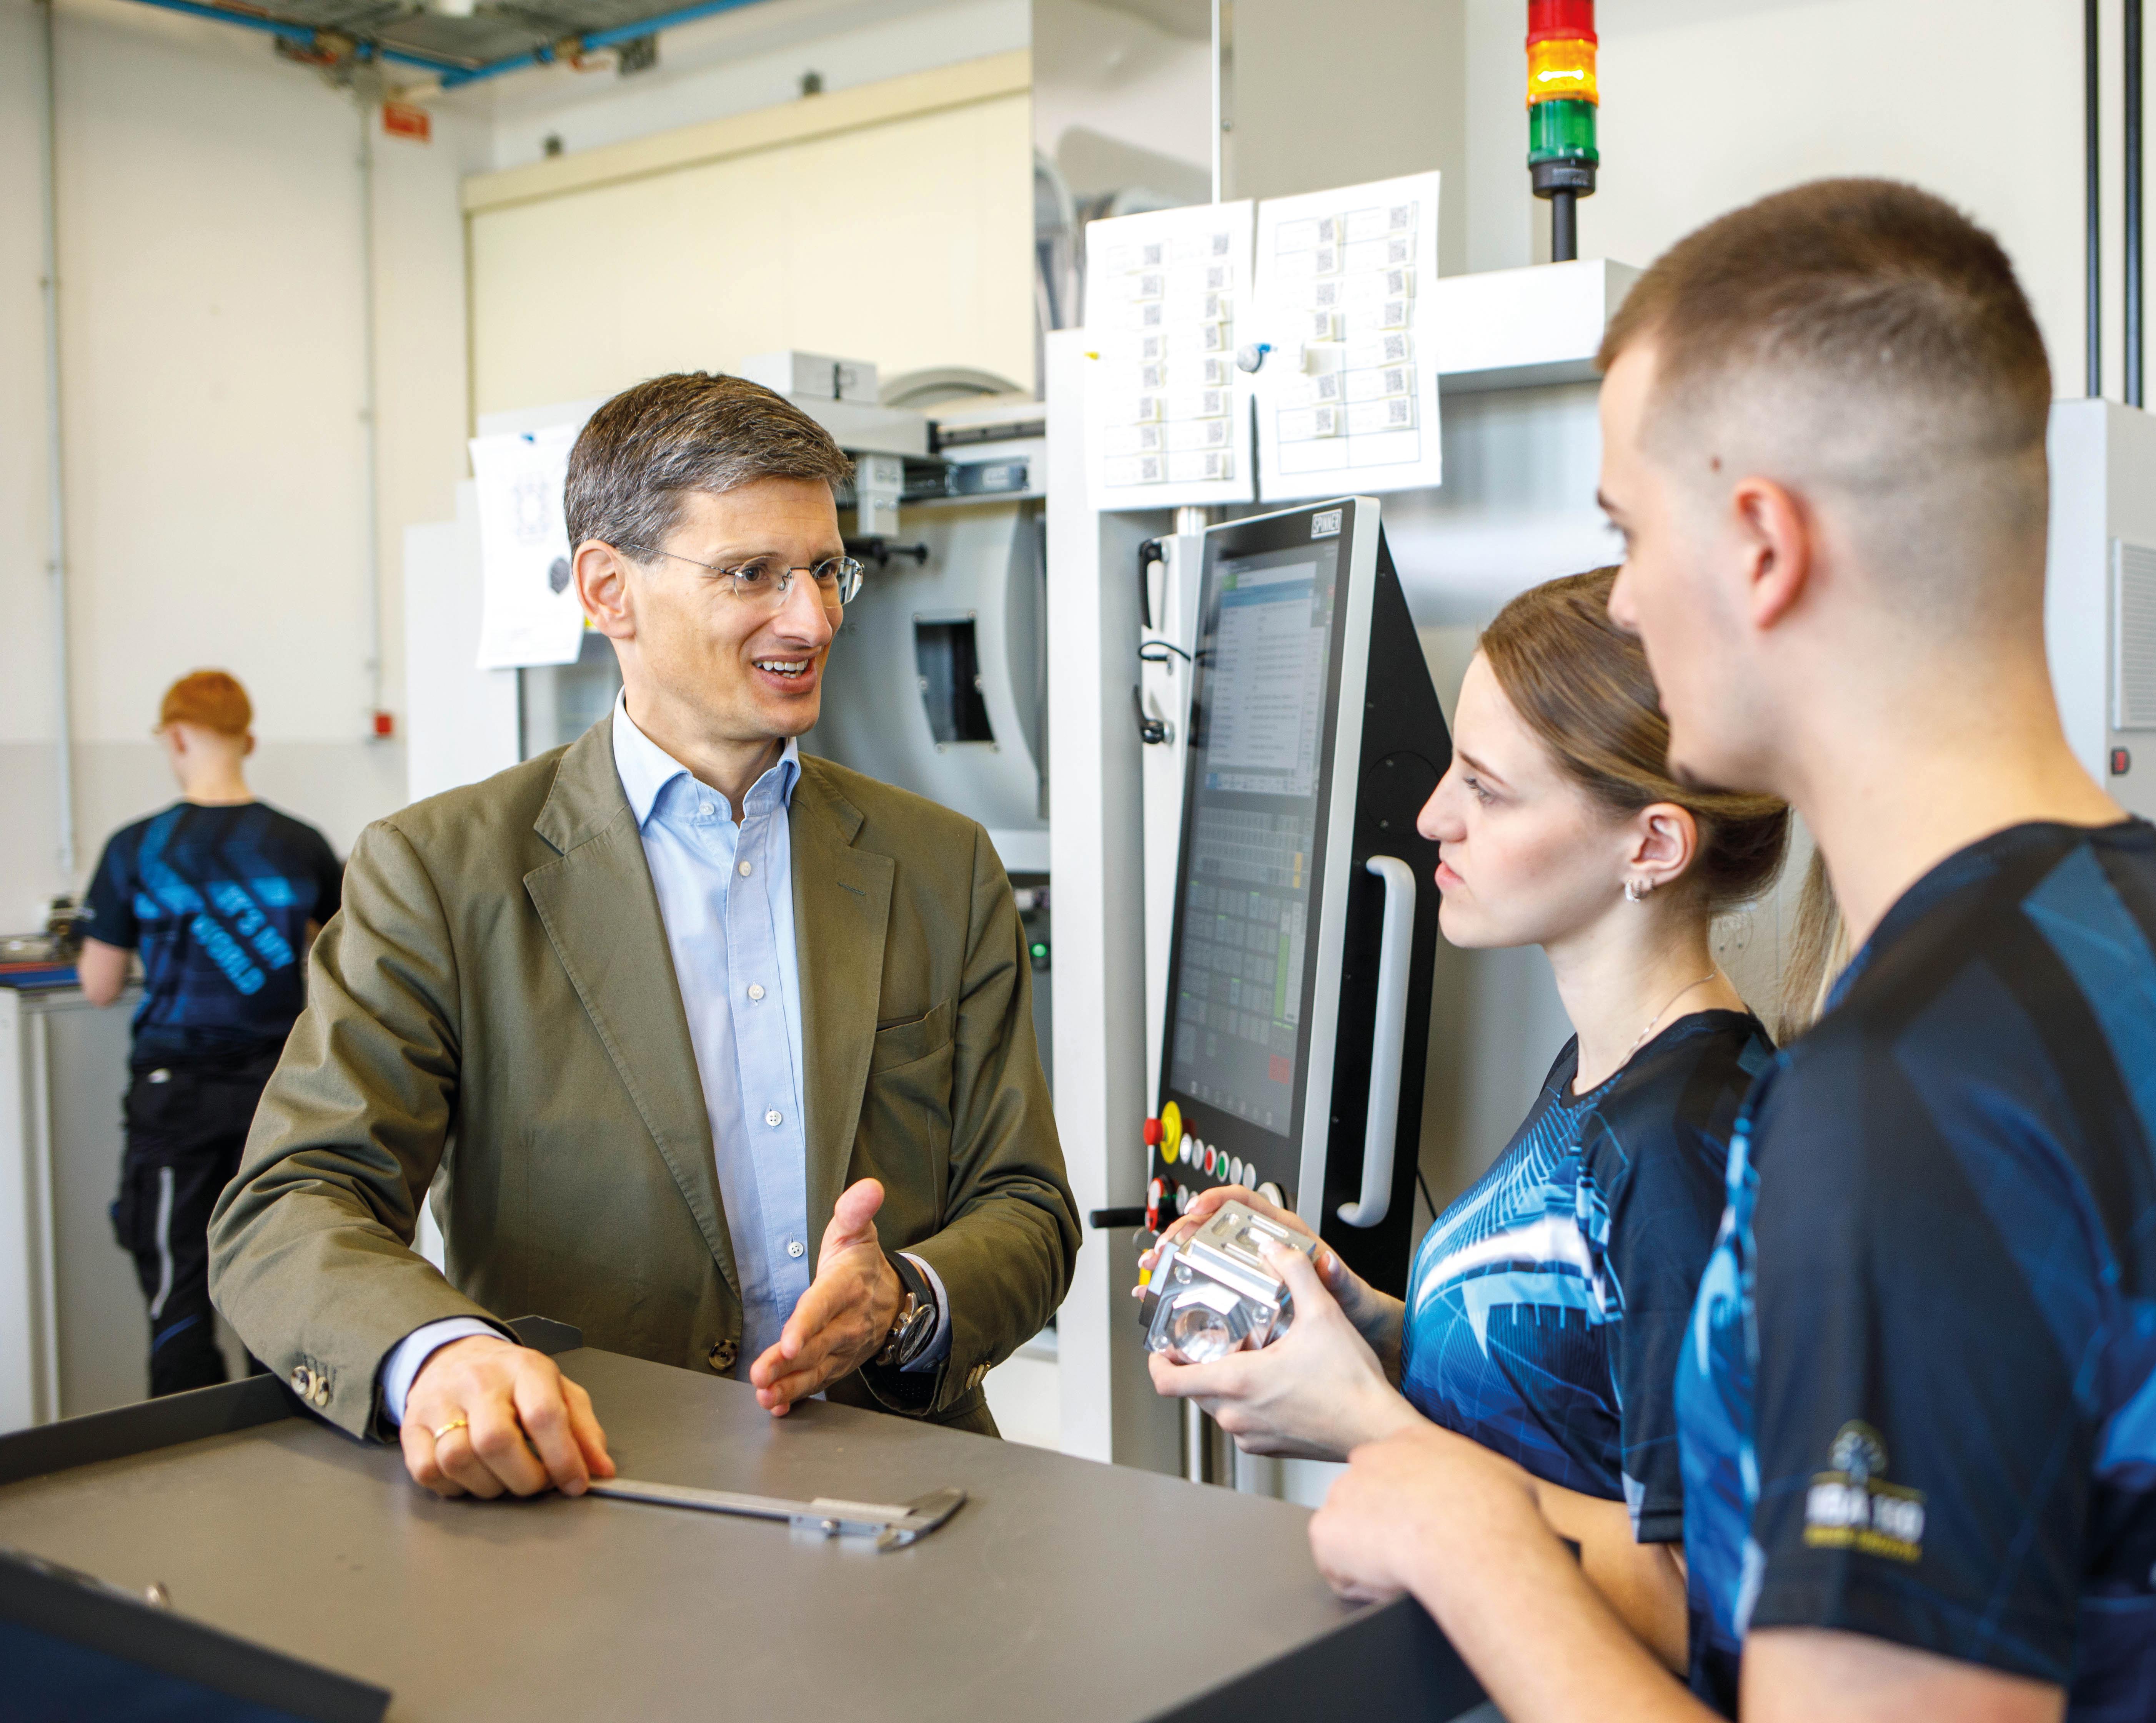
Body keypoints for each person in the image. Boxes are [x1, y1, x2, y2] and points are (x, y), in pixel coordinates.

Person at [1305, 179, 2156, 1723]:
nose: (1623, 598)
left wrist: (1475, 1543)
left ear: (1762, 546)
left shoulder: (1906, 1108)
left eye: (1628, 533)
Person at [210, 372, 1076, 1501]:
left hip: (901, 1494)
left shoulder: (940, 864)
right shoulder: (440, 873)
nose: (811, 620)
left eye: (825, 570)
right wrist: (441, 1355)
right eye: (751, 574)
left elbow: (1029, 1207)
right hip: (593, 1493)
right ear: (608, 589)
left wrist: (905, 1301)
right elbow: (291, 1200)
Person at [1145, 568, 1796, 1670]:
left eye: (1487, 790)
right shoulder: (1605, 1071)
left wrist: (1366, 1421)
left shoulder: (1684, 1150)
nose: (1434, 816)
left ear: (1652, 845)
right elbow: (1569, 1392)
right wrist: (1369, 1326)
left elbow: (1705, 1598)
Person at [75, 671, 341, 1397]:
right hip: (278, 1099)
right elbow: (339, 962)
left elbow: (99, 985)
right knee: (278, 1283)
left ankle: (189, 1454)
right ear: (247, 740)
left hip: (175, 1100)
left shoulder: (136, 848)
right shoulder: (300, 845)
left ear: (176, 737)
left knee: (178, 1299)